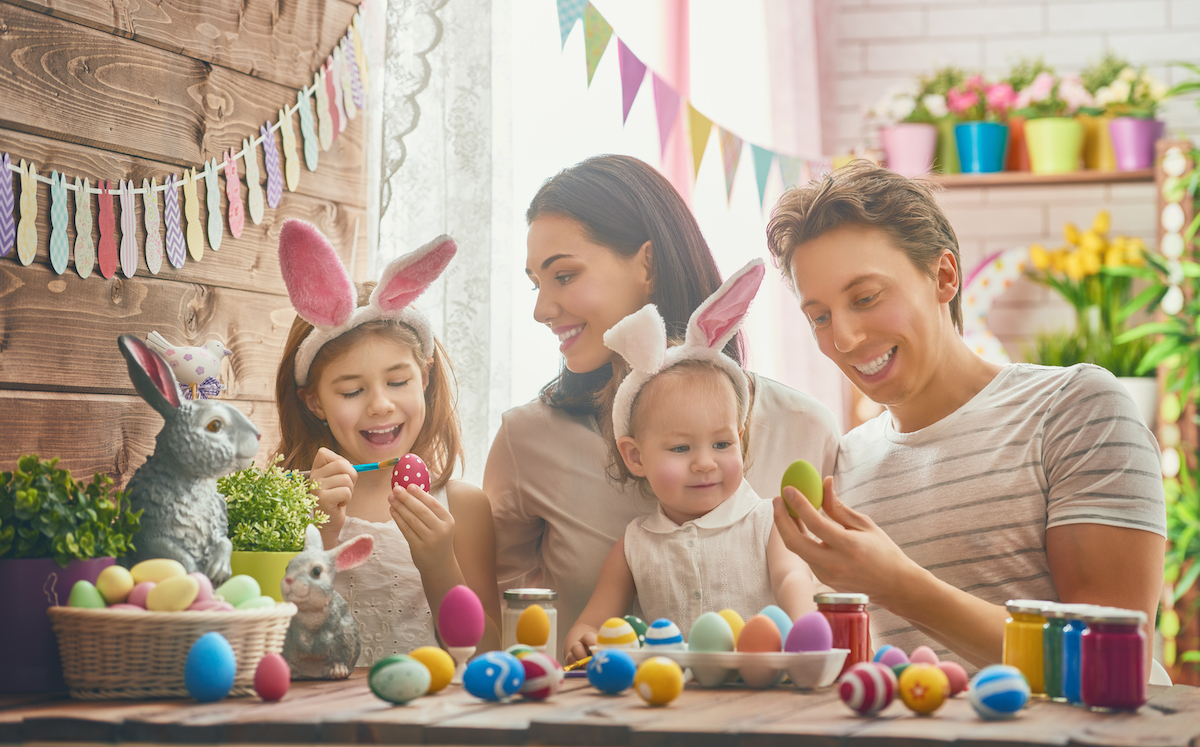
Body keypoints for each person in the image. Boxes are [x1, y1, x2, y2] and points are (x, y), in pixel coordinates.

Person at [764, 160, 1166, 673]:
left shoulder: (1075, 408)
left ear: (945, 276)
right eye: (819, 317)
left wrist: (898, 585)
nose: (842, 339)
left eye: (865, 298)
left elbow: (1108, 663)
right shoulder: (843, 464)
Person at [485, 155, 841, 651]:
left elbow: (845, 606)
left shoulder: (805, 427)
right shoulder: (527, 441)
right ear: (632, 453)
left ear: (647, 265)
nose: (541, 310)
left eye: (563, 276)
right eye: (535, 284)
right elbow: (491, 629)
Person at [562, 261, 816, 664]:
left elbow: (792, 577)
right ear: (635, 457)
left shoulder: (770, 521)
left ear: (741, 439)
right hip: (667, 702)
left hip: (760, 694)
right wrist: (583, 637)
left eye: (721, 443)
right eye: (680, 449)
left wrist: (805, 624)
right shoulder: (635, 544)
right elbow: (593, 622)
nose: (704, 464)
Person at [273, 219, 501, 665]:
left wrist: (439, 565)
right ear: (314, 402)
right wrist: (315, 534)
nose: (380, 405)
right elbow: (260, 637)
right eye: (351, 391)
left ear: (426, 377)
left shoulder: (464, 507)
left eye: (397, 381)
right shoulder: (288, 502)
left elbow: (486, 657)